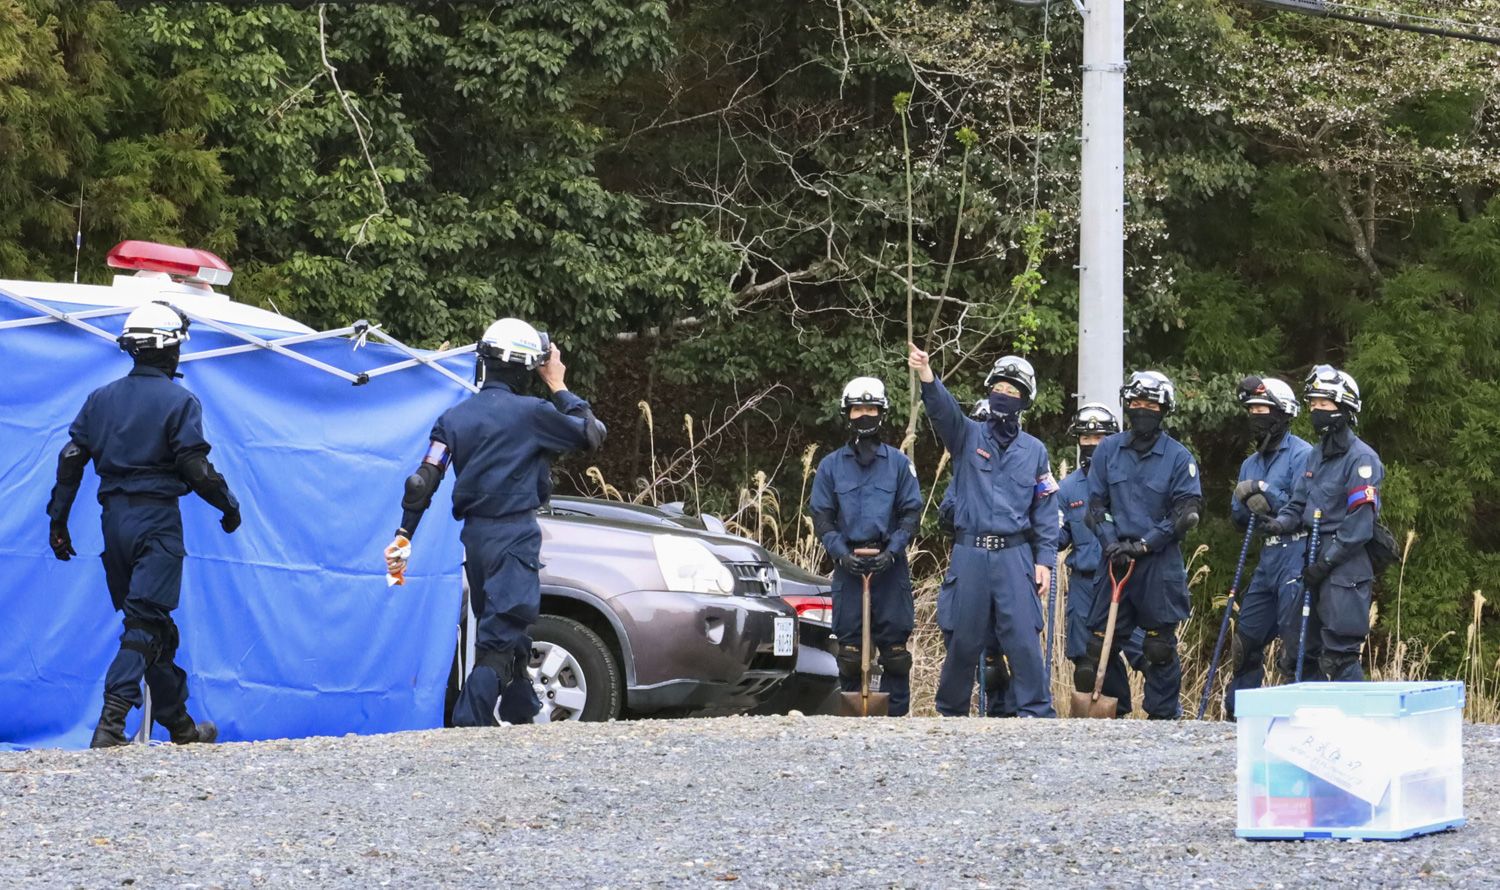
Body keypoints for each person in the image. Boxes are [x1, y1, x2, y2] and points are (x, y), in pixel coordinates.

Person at [385, 318, 605, 726]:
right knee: (499, 638)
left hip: (476, 541)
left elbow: (422, 481)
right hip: (515, 536)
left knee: (504, 625)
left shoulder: (453, 418)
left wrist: (403, 535)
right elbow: (590, 434)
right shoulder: (533, 413)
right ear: (527, 367)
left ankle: (521, 710)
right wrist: (558, 384)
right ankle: (469, 724)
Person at [46, 301, 238, 748]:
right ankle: (110, 723)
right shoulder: (180, 401)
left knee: (153, 629)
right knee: (145, 624)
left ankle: (182, 729)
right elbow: (195, 467)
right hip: (156, 521)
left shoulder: (100, 398)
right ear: (170, 349)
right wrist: (228, 506)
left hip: (113, 523)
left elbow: (72, 457)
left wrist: (58, 519)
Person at [909, 344, 1059, 718]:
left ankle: (1036, 714)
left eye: (1012, 391)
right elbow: (943, 412)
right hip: (970, 554)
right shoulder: (967, 436)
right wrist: (927, 374)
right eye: (999, 388)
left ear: (1025, 400)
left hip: (1015, 556)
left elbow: (1045, 508)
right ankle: (950, 714)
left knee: (1023, 639)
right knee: (962, 638)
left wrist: (1044, 561)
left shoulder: (1035, 451)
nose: (1003, 395)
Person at [1082, 371, 1202, 719]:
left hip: (1157, 565)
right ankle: (1113, 714)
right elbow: (1096, 505)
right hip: (1115, 561)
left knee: (1158, 647)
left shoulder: (1179, 458)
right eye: (1136, 403)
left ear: (1164, 410)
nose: (1142, 410)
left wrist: (1145, 545)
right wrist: (1110, 543)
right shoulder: (1107, 450)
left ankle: (1163, 719)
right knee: (1097, 647)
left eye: (1150, 405)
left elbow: (1185, 512)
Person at [1258, 365, 1383, 682]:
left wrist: (1326, 563)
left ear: (1344, 408)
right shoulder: (1315, 455)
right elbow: (1299, 503)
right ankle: (1308, 712)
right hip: (1310, 558)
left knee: (1339, 656)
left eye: (1324, 404)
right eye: (1313, 404)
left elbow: (1361, 523)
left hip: (1344, 565)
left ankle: (1355, 713)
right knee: (1298, 652)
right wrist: (1279, 523)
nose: (1316, 410)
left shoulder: (1362, 459)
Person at [811, 377, 922, 716]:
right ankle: (851, 723)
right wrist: (840, 553)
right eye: (858, 409)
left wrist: (893, 551)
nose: (864, 415)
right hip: (849, 567)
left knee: (895, 655)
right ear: (847, 413)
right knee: (848, 655)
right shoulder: (830, 466)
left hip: (890, 567)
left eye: (870, 409)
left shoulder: (899, 464)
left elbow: (911, 513)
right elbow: (822, 516)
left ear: (881, 413)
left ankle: (896, 720)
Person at [1227, 376, 1313, 711]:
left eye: (1263, 409)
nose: (1256, 416)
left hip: (1298, 552)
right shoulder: (1250, 463)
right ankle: (1239, 713)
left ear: (1282, 413)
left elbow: (1305, 508)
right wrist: (1246, 500)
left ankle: (1298, 715)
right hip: (1268, 555)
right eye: (1251, 410)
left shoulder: (1303, 454)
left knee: (1296, 647)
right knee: (1245, 642)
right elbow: (1238, 518)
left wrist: (1265, 492)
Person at [938, 399, 1014, 718]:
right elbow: (946, 516)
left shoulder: (1022, 464)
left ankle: (1005, 716)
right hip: (969, 569)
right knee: (961, 643)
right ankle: (953, 715)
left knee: (999, 659)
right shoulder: (963, 474)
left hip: (1007, 571)